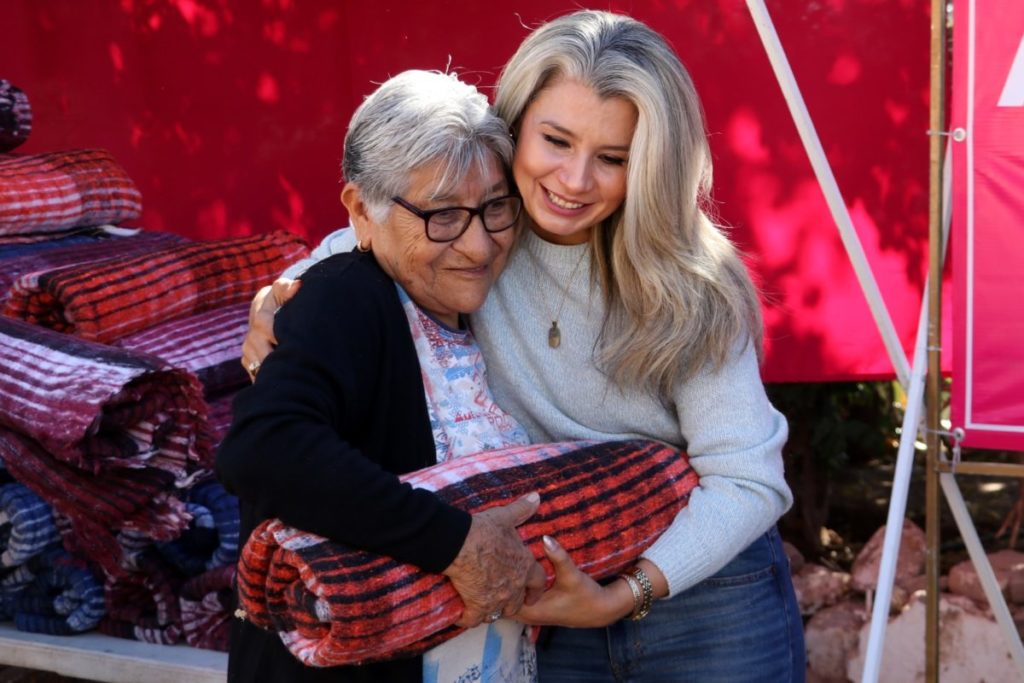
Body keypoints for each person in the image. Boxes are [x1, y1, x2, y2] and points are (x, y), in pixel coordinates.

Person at [244, 10, 805, 682]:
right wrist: (279, 298)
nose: (574, 180)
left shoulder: (692, 283)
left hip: (704, 596)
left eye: (613, 158)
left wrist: (624, 595)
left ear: (653, 165)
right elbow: (372, 235)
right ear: (514, 125)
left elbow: (746, 477)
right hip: (552, 590)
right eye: (556, 140)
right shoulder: (483, 230)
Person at [217, 69, 548, 683]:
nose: (479, 246)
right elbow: (264, 449)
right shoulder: (345, 298)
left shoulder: (491, 307)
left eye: (496, 207)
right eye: (443, 215)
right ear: (360, 212)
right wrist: (453, 542)